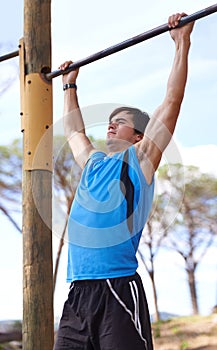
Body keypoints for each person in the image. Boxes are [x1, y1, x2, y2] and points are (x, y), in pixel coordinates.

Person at [54, 13, 194, 350]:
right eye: (110, 122)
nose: (111, 126)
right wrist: (70, 84)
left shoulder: (141, 160)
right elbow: (74, 130)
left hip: (117, 288)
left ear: (139, 136)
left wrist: (182, 43)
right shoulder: (94, 163)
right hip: (77, 292)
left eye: (121, 122)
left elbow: (172, 102)